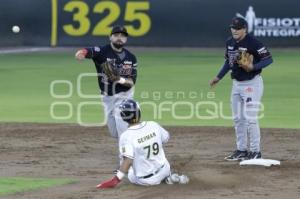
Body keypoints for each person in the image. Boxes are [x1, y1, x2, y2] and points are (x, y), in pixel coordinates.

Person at [209, 17, 273, 161]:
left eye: (238, 28)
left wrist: (253, 67)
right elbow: (228, 61)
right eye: (233, 27)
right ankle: (241, 150)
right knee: (238, 119)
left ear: (244, 29)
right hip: (236, 85)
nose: (234, 30)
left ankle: (256, 151)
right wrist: (218, 77)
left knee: (251, 119)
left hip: (252, 84)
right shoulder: (229, 42)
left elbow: (268, 59)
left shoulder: (253, 42)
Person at [96, 99, 189, 188]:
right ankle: (169, 178)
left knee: (129, 168)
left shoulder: (126, 136)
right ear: (138, 112)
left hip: (147, 181)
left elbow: (128, 161)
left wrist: (115, 180)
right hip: (165, 169)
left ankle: (166, 179)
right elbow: (166, 138)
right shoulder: (153, 125)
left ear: (123, 117)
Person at [75, 25, 138, 140]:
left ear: (126, 39)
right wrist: (81, 53)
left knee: (123, 132)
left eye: (123, 36)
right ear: (110, 37)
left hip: (124, 97)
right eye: (116, 35)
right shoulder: (102, 52)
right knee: (115, 133)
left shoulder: (131, 58)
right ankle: (137, 134)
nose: (120, 38)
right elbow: (87, 51)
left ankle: (127, 155)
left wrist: (118, 79)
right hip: (107, 97)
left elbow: (131, 82)